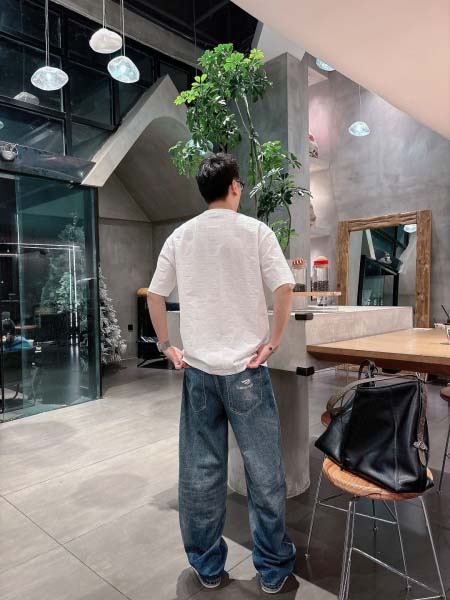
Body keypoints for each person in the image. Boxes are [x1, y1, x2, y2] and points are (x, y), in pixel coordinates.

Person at [147, 153, 296, 594]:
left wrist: (167, 346)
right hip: (247, 370)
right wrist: (273, 341)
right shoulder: (256, 231)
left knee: (200, 472)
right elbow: (285, 287)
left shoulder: (181, 236)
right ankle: (272, 570)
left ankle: (208, 567)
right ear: (233, 186)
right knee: (264, 471)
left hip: (198, 371)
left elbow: (155, 295)